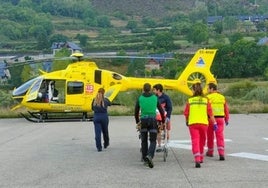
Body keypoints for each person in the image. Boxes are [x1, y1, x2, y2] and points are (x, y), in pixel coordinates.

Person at [183, 81, 216, 168]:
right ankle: (201, 157)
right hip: (204, 123)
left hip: (193, 123)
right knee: (202, 140)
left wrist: (187, 120)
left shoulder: (190, 100)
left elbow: (186, 113)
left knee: (195, 141)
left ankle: (197, 158)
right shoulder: (206, 100)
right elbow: (210, 113)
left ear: (193, 90)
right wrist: (214, 123)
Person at [134, 83, 165, 168]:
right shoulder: (155, 98)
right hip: (152, 121)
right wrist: (163, 121)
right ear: (150, 89)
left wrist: (137, 122)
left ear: (143, 89)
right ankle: (150, 156)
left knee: (144, 140)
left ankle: (145, 158)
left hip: (143, 120)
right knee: (153, 140)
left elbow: (136, 111)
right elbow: (161, 111)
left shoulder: (140, 98)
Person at [206, 83, 230, 161]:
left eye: (208, 88)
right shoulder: (222, 97)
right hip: (220, 118)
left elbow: (206, 109)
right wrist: (227, 119)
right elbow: (226, 109)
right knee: (220, 136)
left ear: (212, 89)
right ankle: (221, 153)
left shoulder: (208, 97)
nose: (207, 90)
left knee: (210, 136)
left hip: (211, 119)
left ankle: (210, 152)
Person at [153, 84, 173, 152]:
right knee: (158, 130)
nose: (153, 91)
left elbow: (170, 108)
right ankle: (159, 145)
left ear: (158, 90)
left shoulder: (166, 97)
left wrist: (168, 116)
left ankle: (166, 138)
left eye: (154, 90)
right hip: (156, 115)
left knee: (165, 128)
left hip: (164, 115)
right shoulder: (154, 97)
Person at [91, 88, 111, 152]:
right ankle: (106, 143)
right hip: (104, 117)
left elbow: (92, 108)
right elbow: (110, 103)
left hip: (96, 117)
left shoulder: (94, 100)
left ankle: (99, 147)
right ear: (104, 93)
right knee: (105, 131)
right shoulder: (106, 100)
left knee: (97, 133)